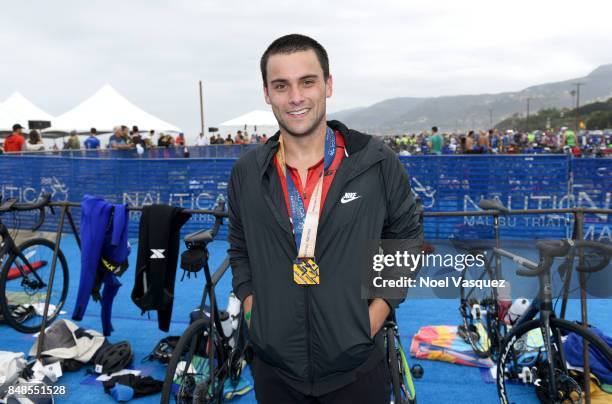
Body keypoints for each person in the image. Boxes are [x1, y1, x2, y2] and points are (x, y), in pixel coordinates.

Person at [228, 34, 422, 404]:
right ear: (267, 93)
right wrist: (253, 309)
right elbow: (240, 247)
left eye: (308, 82)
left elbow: (406, 238)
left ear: (328, 85)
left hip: (357, 365)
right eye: (281, 85)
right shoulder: (246, 172)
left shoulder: (376, 162)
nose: (296, 97)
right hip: (275, 369)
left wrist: (376, 313)